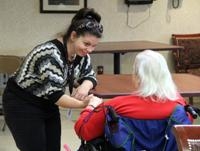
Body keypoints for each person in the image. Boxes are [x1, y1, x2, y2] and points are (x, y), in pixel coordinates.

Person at [2, 8, 103, 151]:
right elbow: (56, 96)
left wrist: (84, 86)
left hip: (47, 103)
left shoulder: (80, 53)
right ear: (73, 35)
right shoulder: (50, 53)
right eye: (87, 44)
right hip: (22, 104)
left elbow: (90, 76)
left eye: (94, 46)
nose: (90, 50)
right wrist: (84, 104)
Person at [74, 50, 193, 148]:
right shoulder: (180, 105)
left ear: (137, 76)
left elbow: (83, 131)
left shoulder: (115, 106)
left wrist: (91, 106)